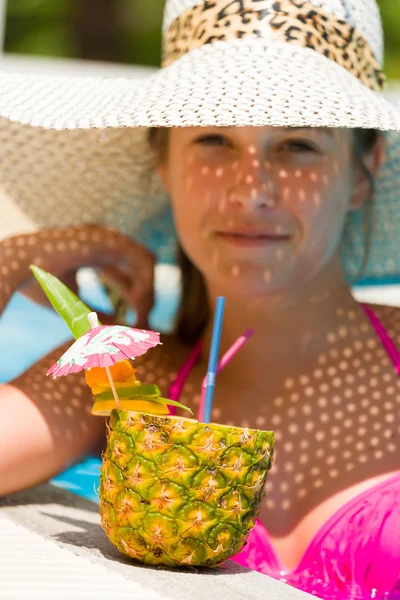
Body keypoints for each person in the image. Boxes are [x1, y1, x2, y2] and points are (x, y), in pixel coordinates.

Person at [0, 0, 399, 597]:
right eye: (214, 139)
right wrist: (7, 265)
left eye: (296, 145)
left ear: (364, 167)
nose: (251, 190)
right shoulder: (119, 383)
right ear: (162, 160)